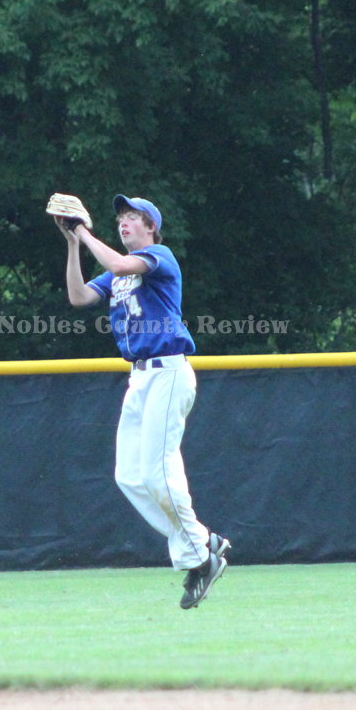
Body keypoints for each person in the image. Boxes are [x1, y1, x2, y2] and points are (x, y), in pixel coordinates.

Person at [55, 194, 230, 610]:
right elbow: (78, 297)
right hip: (140, 379)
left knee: (158, 473)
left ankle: (201, 557)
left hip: (168, 371)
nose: (125, 222)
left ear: (151, 227)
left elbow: (119, 265)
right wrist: (73, 243)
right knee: (130, 476)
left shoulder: (159, 257)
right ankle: (203, 542)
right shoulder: (115, 275)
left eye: (133, 217)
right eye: (121, 217)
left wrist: (84, 231)